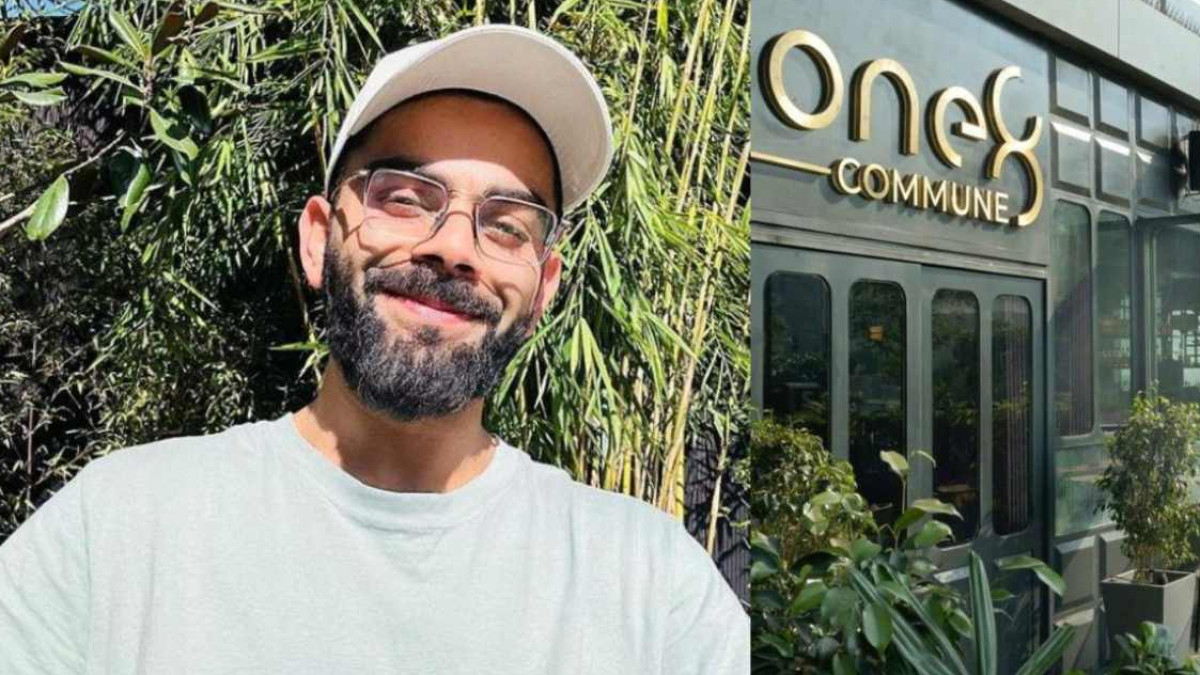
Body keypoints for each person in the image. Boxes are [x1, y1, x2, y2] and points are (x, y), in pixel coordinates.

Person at [0, 24, 749, 674]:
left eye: (506, 225)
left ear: (544, 288)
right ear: (317, 238)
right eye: (405, 197)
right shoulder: (120, 532)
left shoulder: (652, 587)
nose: (454, 247)